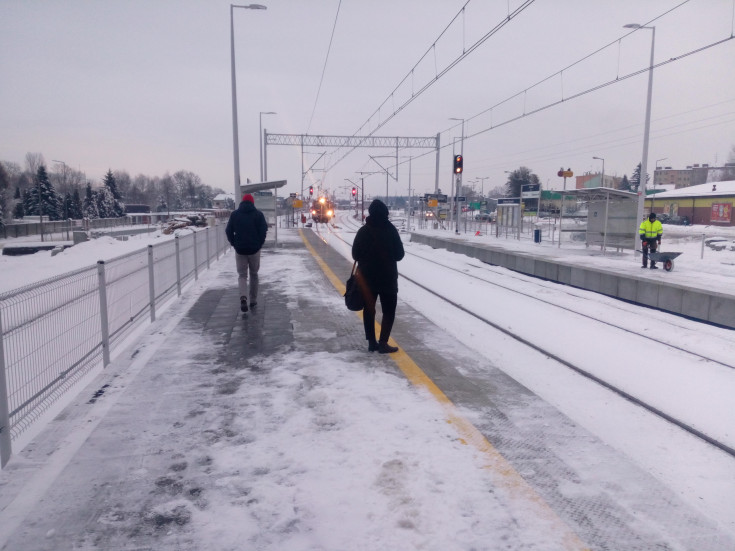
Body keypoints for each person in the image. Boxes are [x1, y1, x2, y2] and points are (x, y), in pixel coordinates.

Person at [351, 199, 405, 353]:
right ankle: (383, 343)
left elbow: (355, 254)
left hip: (367, 280)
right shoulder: (391, 230)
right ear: (386, 213)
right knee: (389, 311)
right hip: (388, 279)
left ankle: (371, 342)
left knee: (369, 310)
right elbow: (400, 255)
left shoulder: (363, 231)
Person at [226, 194, 268, 312]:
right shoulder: (258, 215)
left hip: (240, 250)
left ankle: (243, 297)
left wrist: (234, 243)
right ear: (252, 203)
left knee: (242, 275)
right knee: (254, 274)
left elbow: (228, 231)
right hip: (254, 250)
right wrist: (259, 243)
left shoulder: (235, 215)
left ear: (242, 202)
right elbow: (263, 230)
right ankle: (253, 300)